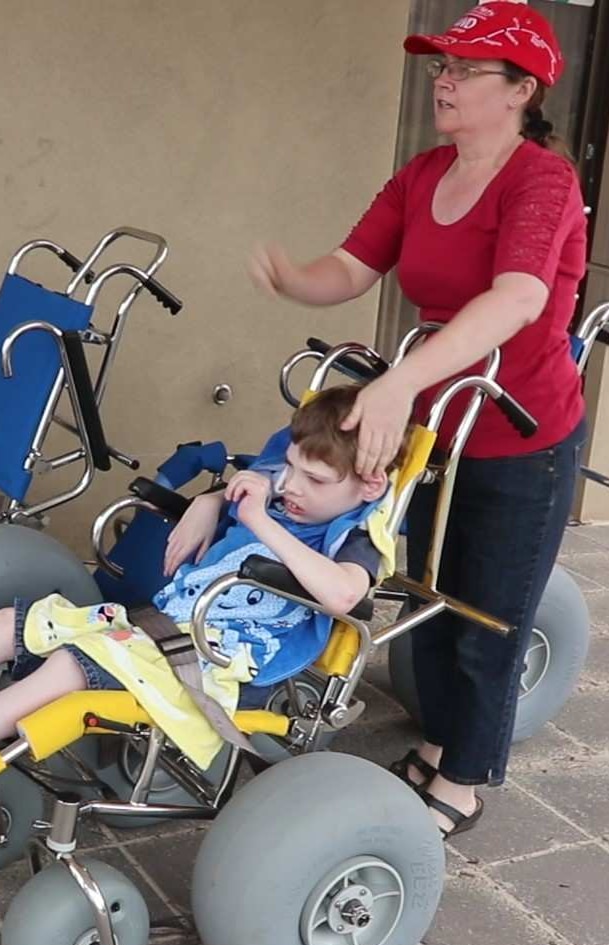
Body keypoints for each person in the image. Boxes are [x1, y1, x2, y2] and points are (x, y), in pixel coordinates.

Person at [249, 2, 587, 839]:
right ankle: (437, 742)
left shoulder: (541, 180)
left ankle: (461, 781)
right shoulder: (422, 173)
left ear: (520, 89)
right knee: (424, 592)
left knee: (486, 611)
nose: (444, 80)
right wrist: (296, 278)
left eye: (466, 69)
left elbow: (516, 297)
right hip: (436, 428)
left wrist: (400, 380)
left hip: (518, 435)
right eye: (442, 65)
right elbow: (352, 266)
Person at [0, 386, 401, 811]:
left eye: (315, 480)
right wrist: (214, 499)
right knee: (5, 625)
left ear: (370, 484)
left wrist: (257, 519)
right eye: (291, 469)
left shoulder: (349, 534)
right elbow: (266, 474)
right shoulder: (289, 487)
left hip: (225, 669)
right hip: (162, 634)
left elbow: (345, 593)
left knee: (71, 665)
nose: (292, 487)